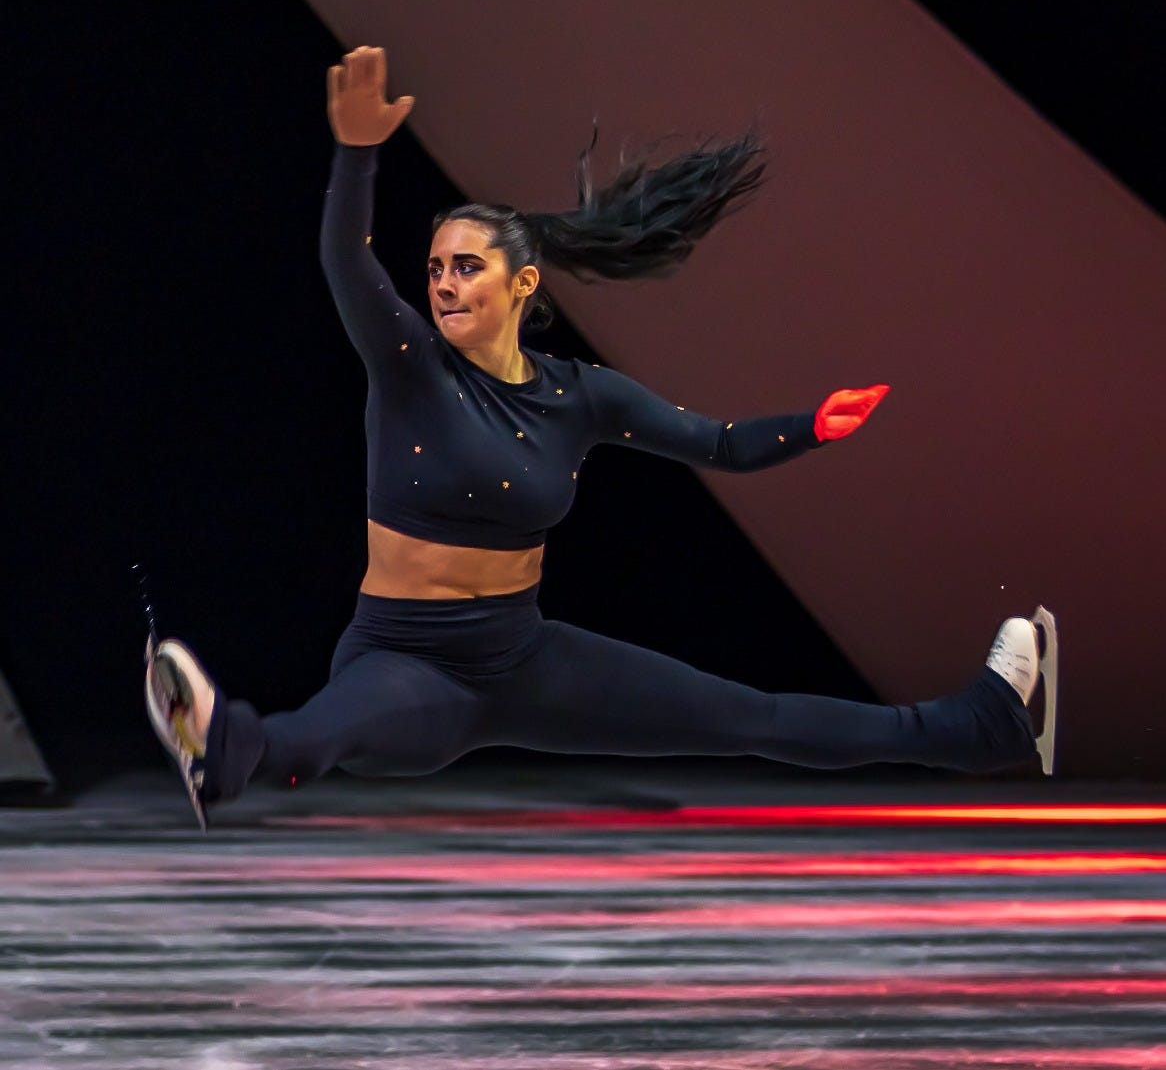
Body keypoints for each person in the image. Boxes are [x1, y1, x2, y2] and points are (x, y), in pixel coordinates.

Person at [145, 46, 1057, 831]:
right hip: (405, 660)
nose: (445, 284)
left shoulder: (579, 396)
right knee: (324, 731)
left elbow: (722, 446)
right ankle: (226, 749)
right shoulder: (409, 366)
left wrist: (812, 426)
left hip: (525, 658)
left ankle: (981, 728)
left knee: (752, 716)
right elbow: (346, 260)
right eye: (435, 268)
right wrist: (356, 153)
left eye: (468, 266)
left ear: (522, 283)